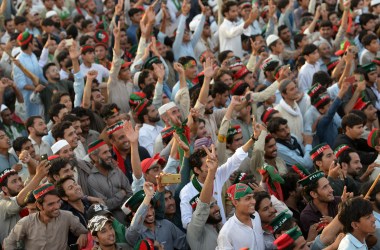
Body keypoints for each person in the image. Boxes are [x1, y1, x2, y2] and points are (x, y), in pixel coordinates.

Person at [3, 183, 88, 249]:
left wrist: (83, 235)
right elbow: (8, 243)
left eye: (58, 201)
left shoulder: (67, 216)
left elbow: (83, 231)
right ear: (39, 206)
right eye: (51, 204)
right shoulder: (25, 222)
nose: (57, 207)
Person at [125, 182, 188, 249]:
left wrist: (160, 189)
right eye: (146, 210)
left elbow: (184, 244)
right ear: (134, 214)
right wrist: (148, 196)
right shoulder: (134, 235)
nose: (150, 213)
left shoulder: (166, 224)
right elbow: (136, 222)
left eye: (151, 208)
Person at [0, 161, 50, 244]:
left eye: (19, 179)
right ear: (4, 189)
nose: (20, 183)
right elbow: (18, 202)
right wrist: (39, 176)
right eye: (14, 181)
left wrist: (29, 161)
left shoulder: (23, 191)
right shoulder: (2, 204)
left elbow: (32, 175)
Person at [88, 139, 133, 224]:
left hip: (130, 216)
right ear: (94, 157)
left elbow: (129, 192)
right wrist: (121, 194)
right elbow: (104, 206)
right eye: (105, 153)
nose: (109, 155)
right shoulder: (92, 180)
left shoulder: (116, 170)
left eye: (109, 151)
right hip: (113, 223)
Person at [187, 143, 222, 249]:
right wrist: (211, 172)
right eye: (211, 206)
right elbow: (202, 207)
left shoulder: (219, 225)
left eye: (215, 204)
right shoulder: (194, 231)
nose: (217, 208)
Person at [216, 183, 265, 250]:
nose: (253, 201)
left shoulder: (256, 216)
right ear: (235, 202)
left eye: (253, 197)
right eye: (248, 198)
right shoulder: (226, 232)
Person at [299, 171, 340, 236]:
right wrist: (334, 224)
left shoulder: (338, 201)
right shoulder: (307, 216)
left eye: (329, 185)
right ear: (314, 194)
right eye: (325, 187)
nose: (331, 190)